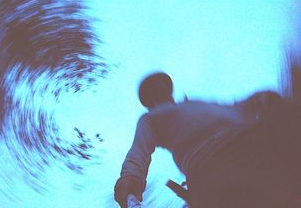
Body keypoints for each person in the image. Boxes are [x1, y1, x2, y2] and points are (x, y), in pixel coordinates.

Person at [113, 72, 297, 208]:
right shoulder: (151, 118)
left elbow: (235, 108)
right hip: (207, 167)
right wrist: (130, 177)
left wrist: (260, 98)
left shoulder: (197, 104)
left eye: (160, 84)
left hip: (252, 144)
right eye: (152, 89)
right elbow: (139, 150)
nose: (158, 89)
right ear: (149, 100)